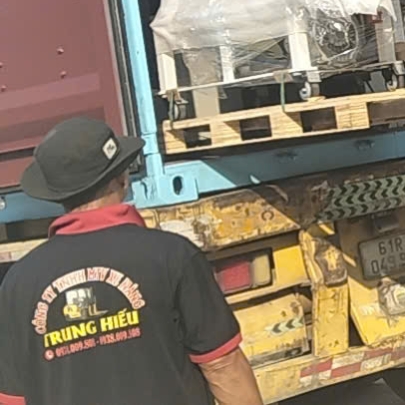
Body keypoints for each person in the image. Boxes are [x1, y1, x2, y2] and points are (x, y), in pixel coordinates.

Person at [0, 118, 264, 405]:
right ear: (123, 179)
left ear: (56, 196)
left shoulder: (18, 284)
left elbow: (13, 399)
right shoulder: (171, 256)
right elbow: (222, 365)